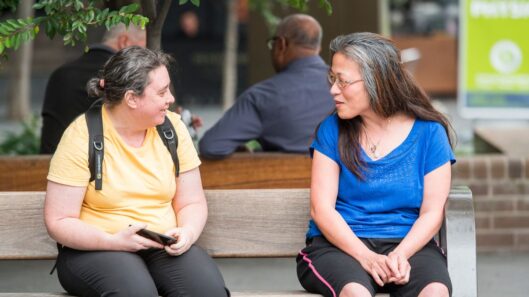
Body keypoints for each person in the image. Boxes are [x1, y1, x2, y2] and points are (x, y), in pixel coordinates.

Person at [43, 46, 229, 297]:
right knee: (136, 293)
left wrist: (187, 232)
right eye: (162, 92)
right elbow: (59, 220)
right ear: (132, 98)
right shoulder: (82, 135)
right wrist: (112, 241)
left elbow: (192, 201)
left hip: (161, 244)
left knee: (207, 292)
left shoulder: (172, 129)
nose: (171, 99)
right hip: (96, 248)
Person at [296, 32, 455, 297]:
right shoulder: (331, 130)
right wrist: (367, 257)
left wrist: (399, 255)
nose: (333, 89)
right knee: (356, 293)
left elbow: (432, 212)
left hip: (409, 245)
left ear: (377, 82)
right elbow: (321, 209)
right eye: (332, 79)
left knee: (435, 292)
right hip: (341, 247)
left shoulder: (430, 133)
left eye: (343, 81)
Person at [198, 14, 334, 159]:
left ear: (281, 44)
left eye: (272, 43)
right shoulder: (345, 86)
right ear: (318, 48)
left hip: (285, 181)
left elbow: (211, 146)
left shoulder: (262, 96)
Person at [40, 24, 147, 154]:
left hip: (50, 162)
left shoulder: (60, 73)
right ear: (123, 41)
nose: (145, 60)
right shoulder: (126, 76)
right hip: (99, 166)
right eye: (142, 49)